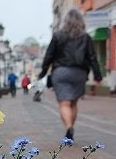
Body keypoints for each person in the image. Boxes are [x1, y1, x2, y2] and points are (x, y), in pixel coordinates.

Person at [38, 9, 102, 143]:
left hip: (60, 72)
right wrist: (97, 76)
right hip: (79, 73)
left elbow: (49, 56)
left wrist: (43, 72)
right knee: (73, 102)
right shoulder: (85, 37)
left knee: (64, 103)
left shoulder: (57, 36)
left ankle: (69, 128)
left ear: (64, 21)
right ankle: (71, 127)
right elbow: (92, 57)